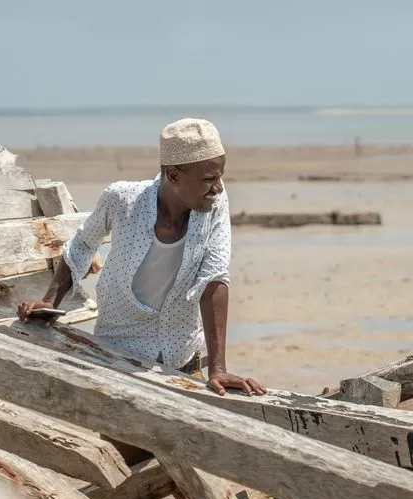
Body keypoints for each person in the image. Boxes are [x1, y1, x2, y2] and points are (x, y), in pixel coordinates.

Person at [18, 117, 266, 397]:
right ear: (173, 176)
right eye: (209, 179)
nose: (218, 188)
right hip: (118, 358)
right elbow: (82, 244)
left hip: (183, 360)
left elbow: (214, 278)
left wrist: (218, 369)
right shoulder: (123, 200)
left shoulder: (214, 205)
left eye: (220, 176)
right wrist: (50, 301)